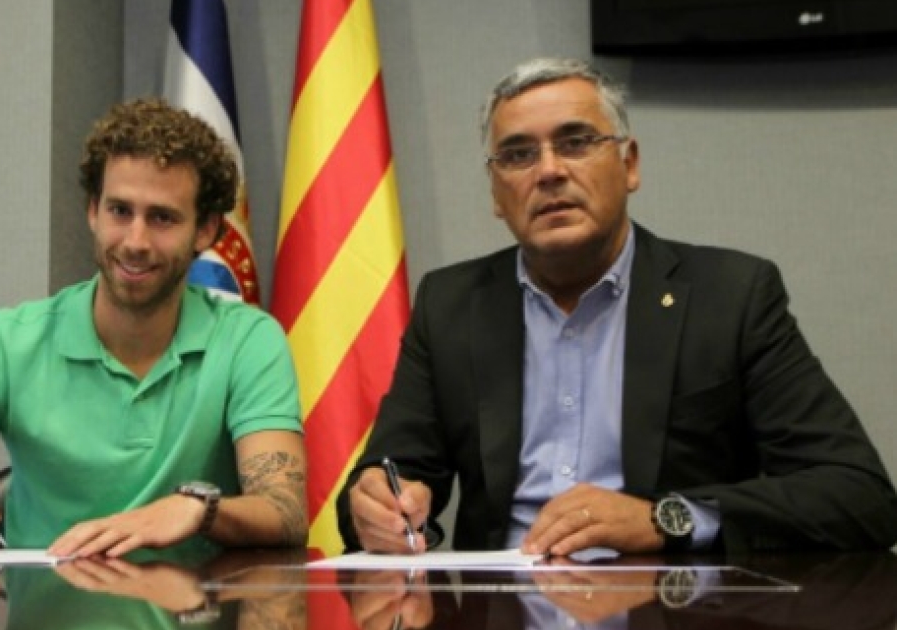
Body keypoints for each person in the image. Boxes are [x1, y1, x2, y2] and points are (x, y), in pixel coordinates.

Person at [338, 57, 897, 556]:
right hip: (503, 607)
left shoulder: (731, 297)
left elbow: (858, 495)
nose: (549, 171)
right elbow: (389, 477)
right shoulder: (451, 304)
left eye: (576, 142)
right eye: (518, 155)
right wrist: (379, 509)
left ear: (629, 165)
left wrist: (665, 519)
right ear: (495, 192)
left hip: (676, 609)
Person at [0, 98, 307, 557]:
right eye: (120, 211)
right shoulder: (7, 341)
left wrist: (197, 510)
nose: (135, 241)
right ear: (92, 211)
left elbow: (285, 512)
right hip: (46, 599)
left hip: (195, 602)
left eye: (162, 218)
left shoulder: (248, 341)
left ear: (205, 230)